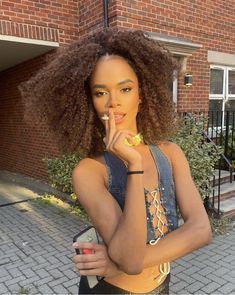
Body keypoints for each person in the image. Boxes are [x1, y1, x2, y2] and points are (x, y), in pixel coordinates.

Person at [20, 29, 212, 294]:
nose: (114, 103)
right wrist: (134, 165)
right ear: (88, 101)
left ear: (141, 94)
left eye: (125, 88)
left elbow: (201, 229)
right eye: (100, 93)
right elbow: (130, 260)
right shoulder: (89, 171)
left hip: (162, 286)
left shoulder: (170, 153)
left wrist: (117, 262)